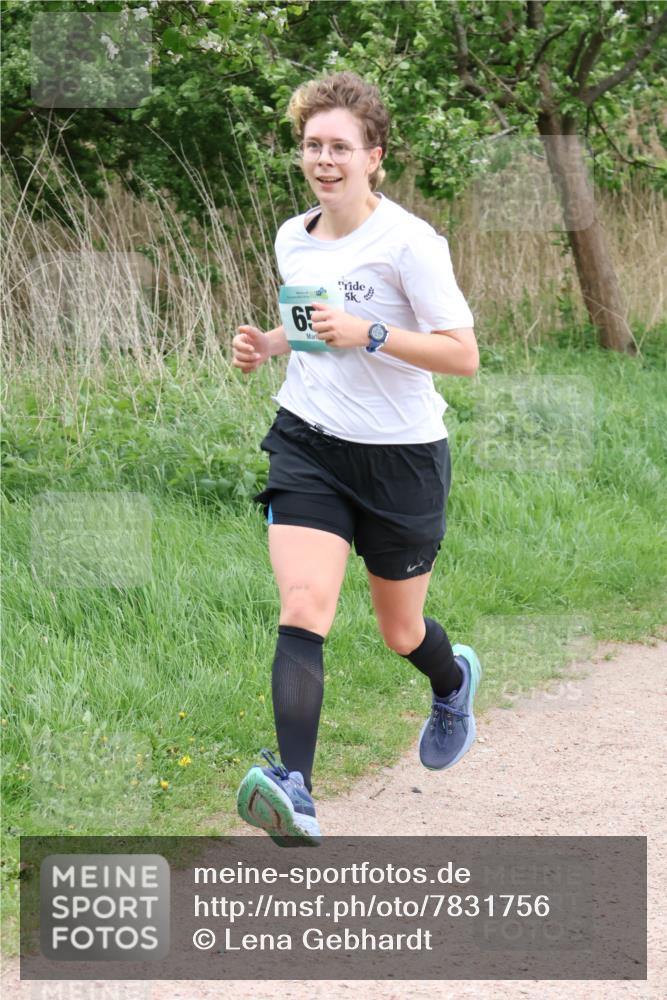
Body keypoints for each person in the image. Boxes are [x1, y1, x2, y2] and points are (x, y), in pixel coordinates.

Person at [232, 71, 481, 847]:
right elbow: (312, 327)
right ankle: (295, 790)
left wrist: (370, 334)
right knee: (304, 605)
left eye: (340, 146)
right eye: (312, 145)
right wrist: (268, 343)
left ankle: (450, 681)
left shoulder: (410, 242)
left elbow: (461, 355)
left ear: (373, 155)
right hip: (308, 440)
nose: (323, 159)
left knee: (399, 631)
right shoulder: (291, 235)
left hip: (401, 459)